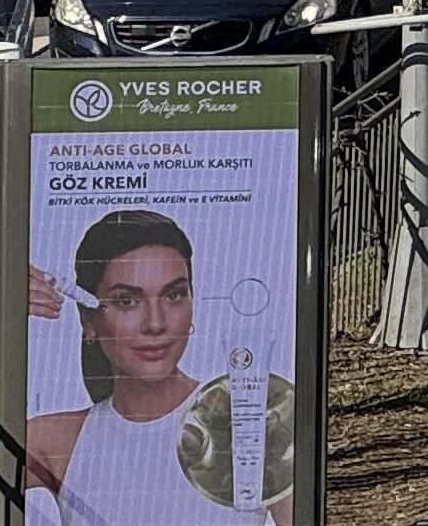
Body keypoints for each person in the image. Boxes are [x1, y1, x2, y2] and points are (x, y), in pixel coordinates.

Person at [28, 208, 292, 523]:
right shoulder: (55, 440)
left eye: (174, 295)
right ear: (88, 319)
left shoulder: (251, 420)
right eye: (127, 301)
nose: (155, 324)